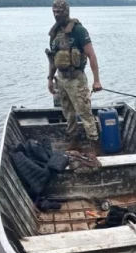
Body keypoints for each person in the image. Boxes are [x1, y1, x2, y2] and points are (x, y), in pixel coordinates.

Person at [46, 0, 102, 146]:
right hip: (61, 79)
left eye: (59, 12)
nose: (56, 15)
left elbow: (91, 55)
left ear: (66, 11)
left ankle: (93, 141)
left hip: (77, 79)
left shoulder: (79, 31)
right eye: (54, 12)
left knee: (84, 112)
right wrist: (50, 79)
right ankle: (73, 139)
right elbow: (53, 60)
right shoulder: (55, 33)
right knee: (67, 113)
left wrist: (96, 80)